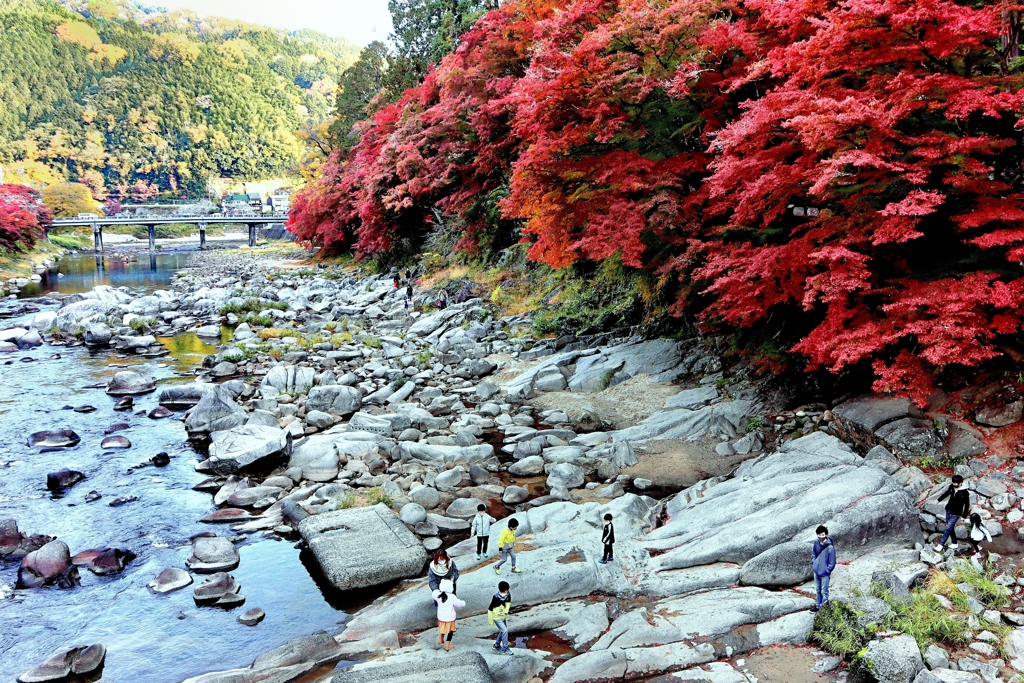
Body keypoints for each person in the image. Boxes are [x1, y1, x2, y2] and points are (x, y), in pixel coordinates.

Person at [935, 474, 970, 553]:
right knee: (950, 528)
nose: (954, 484)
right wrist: (938, 500)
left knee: (948, 528)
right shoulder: (952, 487)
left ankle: (941, 545)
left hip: (957, 513)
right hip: (949, 509)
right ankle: (954, 543)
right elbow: (946, 493)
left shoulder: (965, 493)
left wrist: (964, 516)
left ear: (960, 483)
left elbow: (967, 505)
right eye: (953, 482)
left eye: (956, 483)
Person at [432, 579, 465, 651]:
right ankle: (447, 645)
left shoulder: (438, 595)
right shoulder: (452, 596)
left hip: (441, 617)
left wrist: (438, 590)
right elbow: (459, 604)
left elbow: (434, 592)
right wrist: (463, 603)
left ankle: (441, 639)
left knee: (442, 628)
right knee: (450, 631)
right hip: (450, 617)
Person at [812, 525, 836, 611]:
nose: (821, 536)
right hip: (816, 571)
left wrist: (827, 571)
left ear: (825, 534)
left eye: (823, 534)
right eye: (819, 535)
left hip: (825, 573)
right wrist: (814, 563)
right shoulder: (816, 542)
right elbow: (814, 553)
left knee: (824, 592)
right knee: (818, 590)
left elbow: (832, 562)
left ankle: (823, 609)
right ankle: (818, 606)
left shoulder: (830, 547)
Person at [488, 580, 514, 655]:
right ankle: (505, 648)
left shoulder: (508, 595)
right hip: (496, 617)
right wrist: (491, 621)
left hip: (503, 616)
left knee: (502, 631)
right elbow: (490, 608)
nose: (507, 591)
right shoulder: (495, 597)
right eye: (506, 590)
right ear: (504, 590)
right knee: (505, 631)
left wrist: (506, 611)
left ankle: (496, 645)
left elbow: (508, 603)